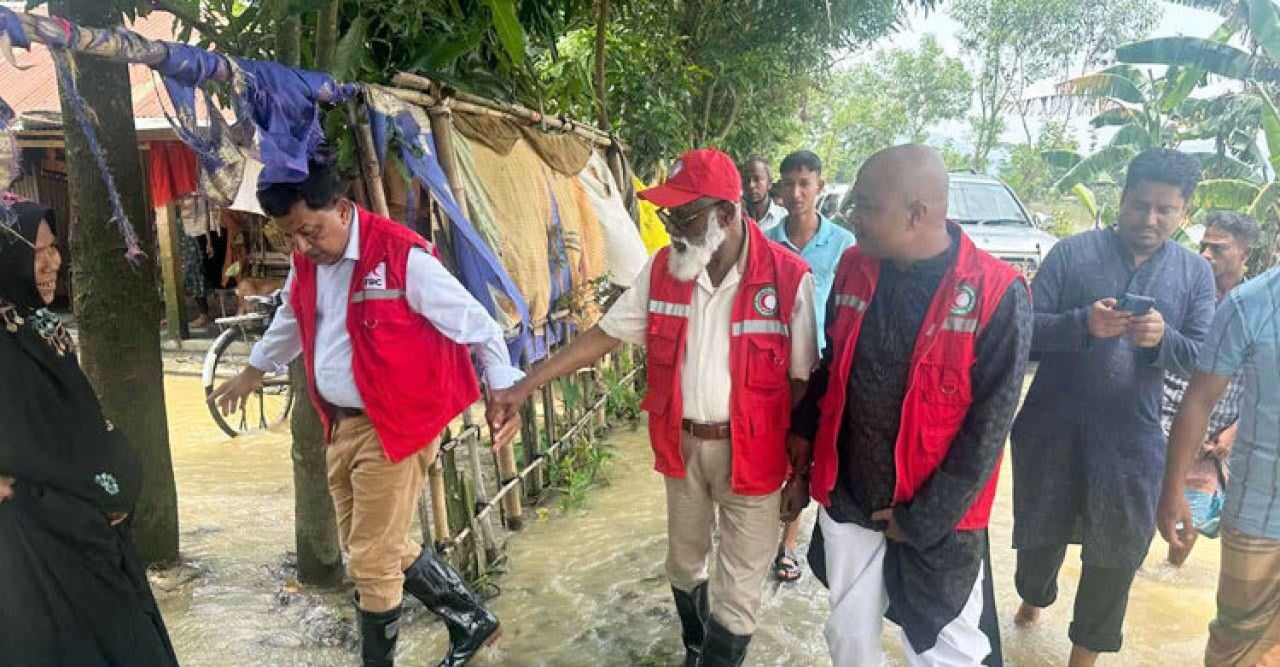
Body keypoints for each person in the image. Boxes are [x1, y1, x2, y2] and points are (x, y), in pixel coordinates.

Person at [488, 147, 817, 666]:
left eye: (684, 215)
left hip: (755, 456)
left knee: (740, 595)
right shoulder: (664, 270)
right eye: (668, 215)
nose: (671, 228)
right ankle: (693, 647)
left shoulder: (789, 280)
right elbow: (604, 336)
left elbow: (804, 385)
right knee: (685, 567)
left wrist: (801, 473)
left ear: (727, 215)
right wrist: (524, 386)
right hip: (682, 447)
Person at [209, 162, 522, 667]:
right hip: (342, 424)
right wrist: (253, 370)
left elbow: (479, 325)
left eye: (311, 231)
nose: (305, 246)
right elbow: (291, 317)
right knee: (376, 545)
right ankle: (471, 621)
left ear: (341, 207)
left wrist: (503, 389)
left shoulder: (401, 256)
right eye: (293, 236)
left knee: (371, 562)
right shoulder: (306, 261)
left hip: (396, 424)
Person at [785, 144, 1032, 666]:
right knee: (849, 641)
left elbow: (988, 432)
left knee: (948, 651)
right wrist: (803, 459)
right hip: (850, 496)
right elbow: (831, 369)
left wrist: (921, 520)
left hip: (937, 518)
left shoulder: (997, 293)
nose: (853, 217)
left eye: (868, 207)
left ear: (916, 215)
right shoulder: (854, 267)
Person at [1009, 148, 1216, 667]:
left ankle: (1083, 660)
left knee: (1118, 556)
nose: (1150, 219)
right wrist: (1081, 323)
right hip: (1052, 429)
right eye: (1140, 204)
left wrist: (1164, 339)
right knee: (1038, 546)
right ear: (1121, 200)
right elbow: (1021, 332)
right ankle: (1032, 605)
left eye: (1165, 209)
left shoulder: (1194, 275)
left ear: (1184, 212)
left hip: (1133, 440)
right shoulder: (1071, 254)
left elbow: (1205, 359)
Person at [0, 200, 179, 666]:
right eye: (36, 251)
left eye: (54, 248)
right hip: (34, 543)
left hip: (89, 533)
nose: (53, 262)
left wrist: (113, 489)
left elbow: (78, 421)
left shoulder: (39, 326)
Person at [1159, 264, 1280, 667]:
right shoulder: (1251, 304)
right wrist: (1173, 488)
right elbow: (1198, 401)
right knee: (1237, 644)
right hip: (1260, 513)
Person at [764, 149, 856, 583]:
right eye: (790, 184)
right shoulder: (764, 242)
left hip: (822, 366)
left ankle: (787, 545)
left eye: (806, 183)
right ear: (779, 190)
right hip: (772, 362)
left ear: (820, 186)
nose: (797, 192)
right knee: (770, 446)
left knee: (806, 452)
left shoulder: (843, 244)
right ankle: (762, 530)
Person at [1159, 212, 1257, 566]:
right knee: (1139, 518)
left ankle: (1166, 580)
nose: (1206, 254)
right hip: (1164, 419)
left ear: (1244, 252)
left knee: (1189, 524)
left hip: (1216, 437)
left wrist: (1234, 431)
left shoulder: (1259, 305)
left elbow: (1264, 380)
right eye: (1204, 246)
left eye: (1218, 248)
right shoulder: (1186, 292)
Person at [741, 156, 787, 232]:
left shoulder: (783, 218)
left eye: (757, 179)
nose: (751, 185)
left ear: (769, 183)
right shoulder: (733, 218)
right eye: (746, 179)